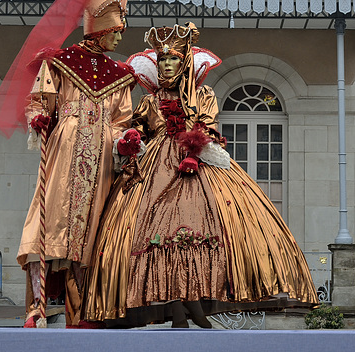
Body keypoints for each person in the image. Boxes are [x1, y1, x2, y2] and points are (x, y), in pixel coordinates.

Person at [81, 23, 318, 329]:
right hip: (154, 169)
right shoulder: (148, 100)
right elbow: (139, 127)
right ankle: (181, 309)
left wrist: (193, 152)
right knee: (152, 230)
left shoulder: (202, 95)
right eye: (162, 60)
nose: (167, 65)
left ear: (185, 63)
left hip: (195, 165)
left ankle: (191, 304)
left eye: (173, 60)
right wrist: (131, 139)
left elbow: (207, 127)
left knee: (199, 224)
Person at [0, 0, 139, 329]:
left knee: (95, 228)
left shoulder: (119, 75)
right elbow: (40, 99)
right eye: (116, 29)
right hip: (65, 149)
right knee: (50, 222)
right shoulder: (61, 62)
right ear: (100, 29)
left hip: (101, 156)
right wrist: (37, 116)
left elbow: (122, 119)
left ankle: (82, 309)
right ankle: (37, 305)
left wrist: (125, 139)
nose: (119, 36)